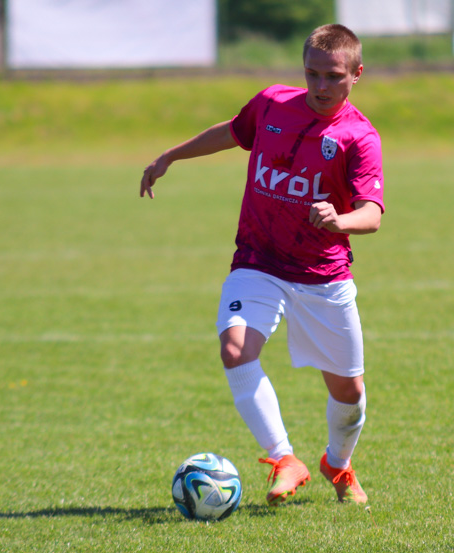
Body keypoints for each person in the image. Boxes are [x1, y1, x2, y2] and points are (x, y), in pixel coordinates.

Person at [140, 24, 383, 505]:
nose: (319, 86)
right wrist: (172, 155)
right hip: (258, 260)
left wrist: (340, 220)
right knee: (235, 350)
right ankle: (283, 458)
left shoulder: (359, 137)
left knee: (350, 394)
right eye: (311, 73)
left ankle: (337, 464)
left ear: (356, 74)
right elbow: (233, 132)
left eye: (332, 76)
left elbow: (372, 214)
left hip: (322, 275)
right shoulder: (272, 103)